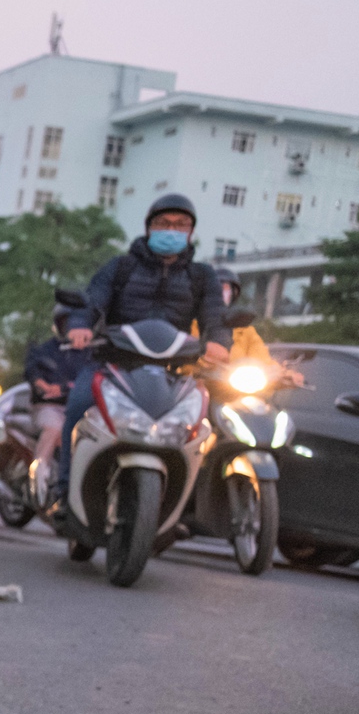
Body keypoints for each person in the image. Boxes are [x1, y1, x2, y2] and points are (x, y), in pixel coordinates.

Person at [54, 194, 233, 505]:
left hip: (172, 372)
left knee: (206, 424)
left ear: (191, 232)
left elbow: (215, 316)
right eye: (163, 223)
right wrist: (80, 325)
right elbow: (92, 300)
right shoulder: (120, 267)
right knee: (78, 406)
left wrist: (219, 341)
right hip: (114, 364)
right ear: (149, 227)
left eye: (181, 224)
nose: (171, 230)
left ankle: (183, 504)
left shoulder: (202, 275)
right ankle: (65, 490)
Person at [21, 306, 95, 468]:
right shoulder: (46, 349)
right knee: (54, 427)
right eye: (67, 322)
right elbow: (32, 372)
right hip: (48, 407)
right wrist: (44, 386)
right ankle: (39, 474)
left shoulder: (90, 355)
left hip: (79, 412)